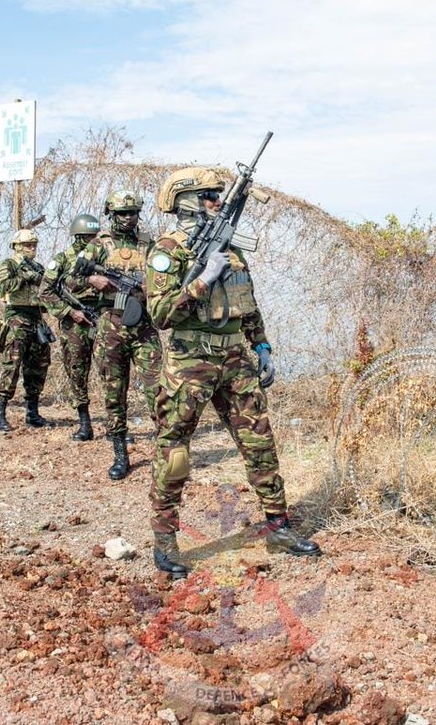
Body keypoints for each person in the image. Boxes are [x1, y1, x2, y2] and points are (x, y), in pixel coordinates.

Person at [144, 167, 321, 579]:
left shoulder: (231, 249)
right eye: (209, 195)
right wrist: (202, 279)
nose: (217, 201)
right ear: (187, 200)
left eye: (219, 195)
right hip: (190, 362)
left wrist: (262, 346)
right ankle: (165, 542)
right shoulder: (168, 250)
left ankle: (279, 528)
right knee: (175, 453)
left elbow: (248, 303)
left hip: (235, 359)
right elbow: (160, 314)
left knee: (260, 443)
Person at [79, 191, 163, 480]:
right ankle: (120, 453)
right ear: (111, 214)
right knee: (114, 393)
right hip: (111, 324)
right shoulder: (98, 246)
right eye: (121, 213)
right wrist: (93, 279)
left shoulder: (150, 245)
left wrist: (153, 287)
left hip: (143, 324)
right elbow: (69, 278)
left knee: (157, 389)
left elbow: (166, 277)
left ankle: (166, 456)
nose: (128, 218)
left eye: (133, 212)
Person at [40, 214, 102, 441]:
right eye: (87, 237)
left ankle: (118, 424)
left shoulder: (106, 253)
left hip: (103, 317)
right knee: (77, 371)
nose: (92, 240)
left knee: (112, 372)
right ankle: (85, 423)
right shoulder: (64, 259)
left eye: (94, 236)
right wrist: (69, 312)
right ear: (77, 236)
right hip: (75, 323)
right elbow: (45, 292)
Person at [0, 228, 52, 431]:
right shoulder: (8, 265)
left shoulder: (38, 267)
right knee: (12, 365)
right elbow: (4, 286)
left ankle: (32, 413)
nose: (32, 248)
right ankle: (0, 413)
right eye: (28, 245)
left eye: (34, 245)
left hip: (36, 318)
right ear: (17, 246)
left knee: (38, 366)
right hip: (16, 317)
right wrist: (24, 278)